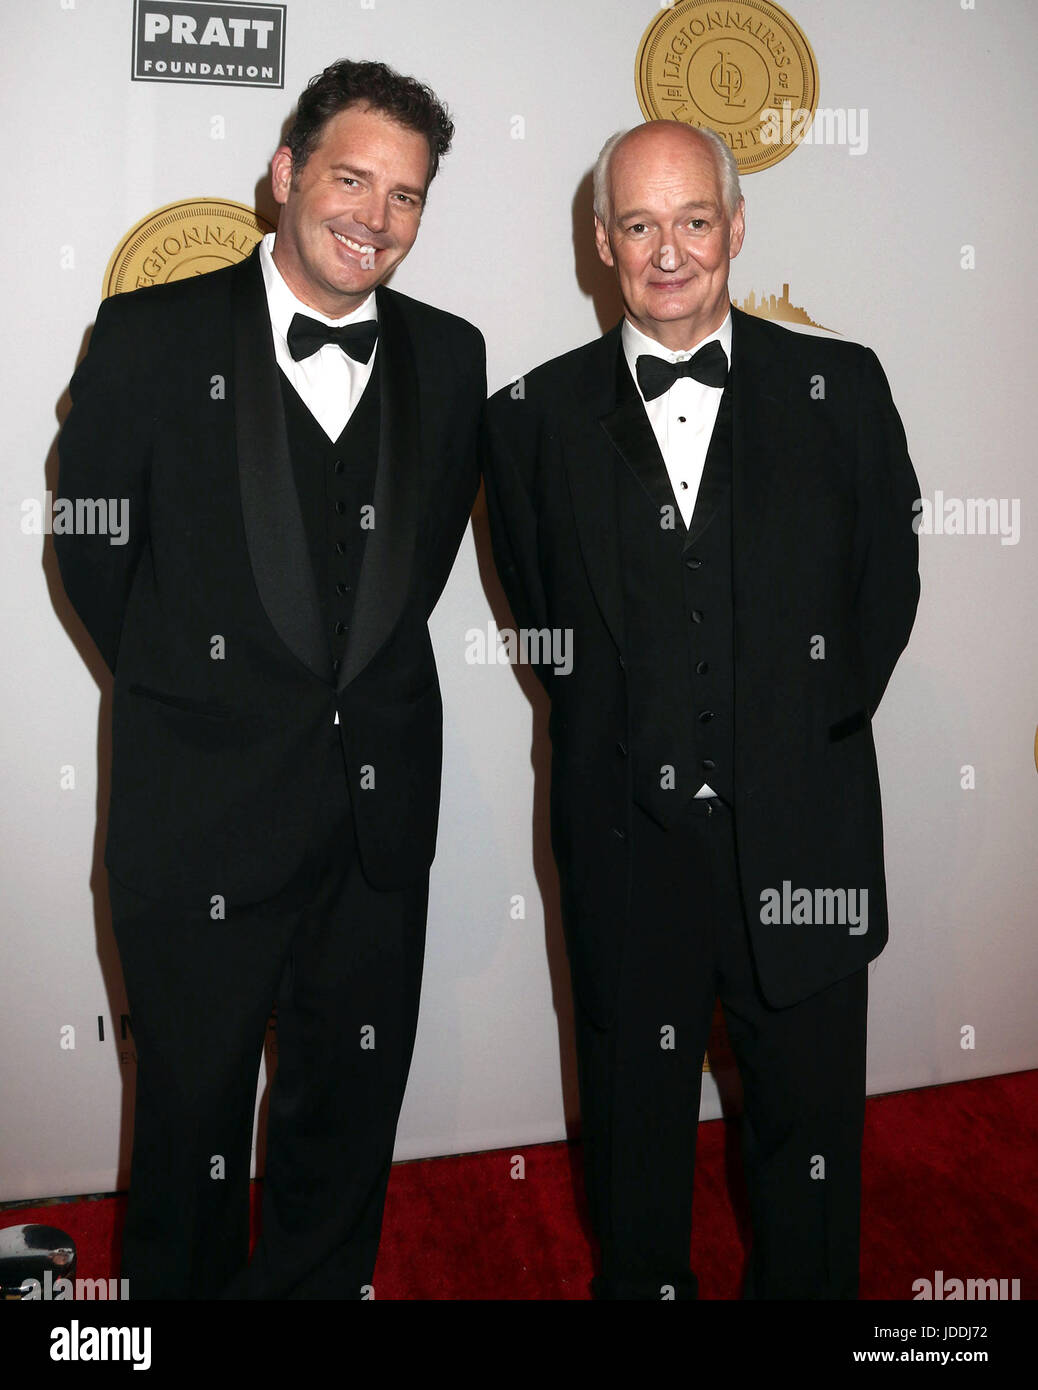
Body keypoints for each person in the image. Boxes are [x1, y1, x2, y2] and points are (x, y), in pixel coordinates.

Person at [55, 58, 485, 1300]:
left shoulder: (450, 360)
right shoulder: (150, 335)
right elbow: (93, 551)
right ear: (287, 175)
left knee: (344, 1121)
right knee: (187, 1128)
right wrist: (203, 690)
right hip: (198, 822)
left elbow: (419, 565)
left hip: (376, 826)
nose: (376, 215)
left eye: (406, 196)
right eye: (353, 177)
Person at [483, 120, 919, 1300]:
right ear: (601, 241)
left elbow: (885, 596)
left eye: (692, 220)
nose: (667, 250)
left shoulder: (844, 388)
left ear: (736, 227)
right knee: (634, 1158)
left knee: (813, 1153)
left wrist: (789, 749)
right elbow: (546, 628)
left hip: (807, 839)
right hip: (628, 854)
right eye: (639, 224)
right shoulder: (526, 418)